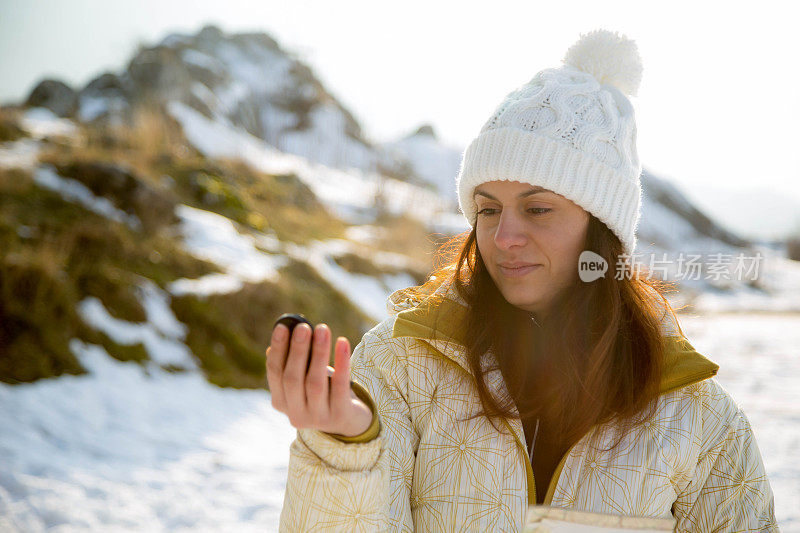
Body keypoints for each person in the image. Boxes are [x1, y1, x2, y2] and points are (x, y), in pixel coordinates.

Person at [267, 29, 779, 532]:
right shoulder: (399, 365)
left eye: (537, 209)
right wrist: (345, 450)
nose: (504, 236)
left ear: (600, 231)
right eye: (488, 210)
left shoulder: (696, 415)